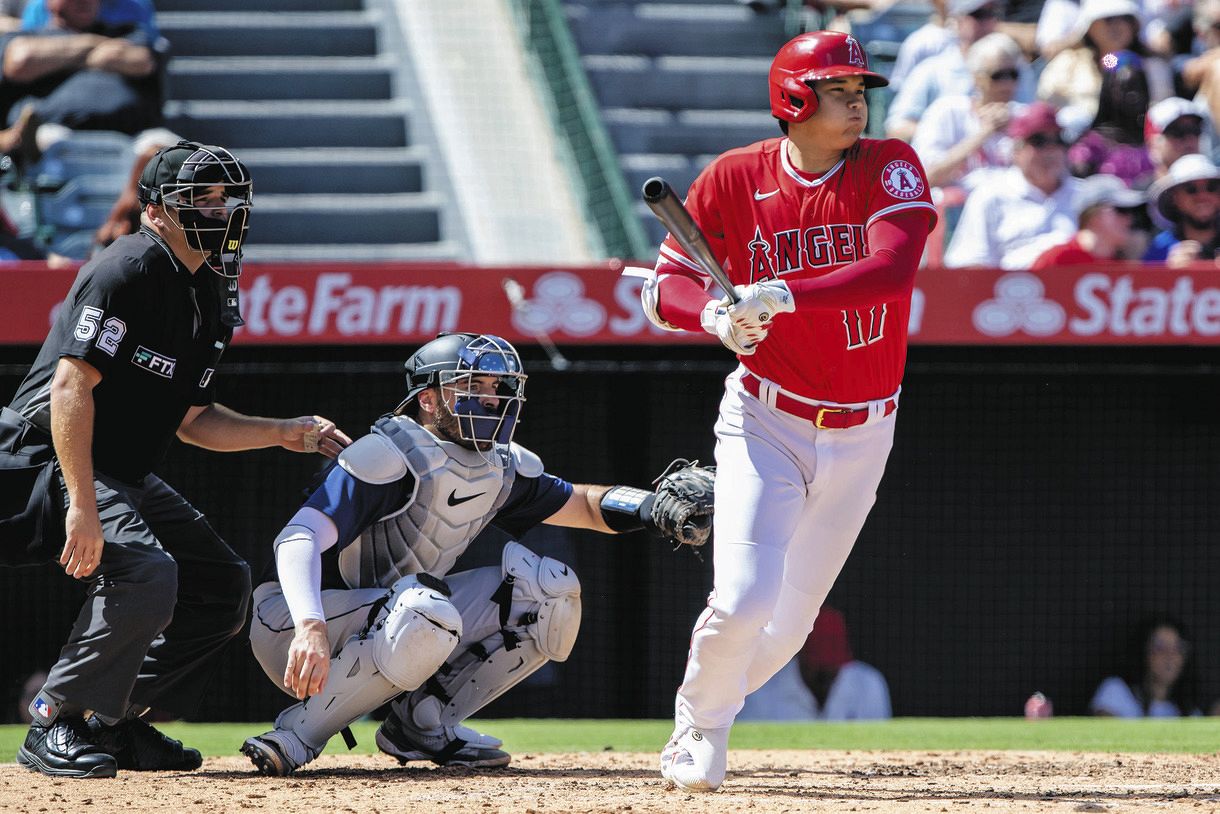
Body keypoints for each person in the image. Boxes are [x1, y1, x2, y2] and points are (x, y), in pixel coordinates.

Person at [634, 31, 935, 793]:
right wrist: (713, 318)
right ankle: (698, 727)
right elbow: (663, 287)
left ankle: (703, 709)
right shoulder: (733, 178)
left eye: (860, 88)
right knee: (740, 601)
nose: (857, 100)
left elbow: (892, 268)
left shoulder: (889, 162)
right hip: (768, 418)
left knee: (787, 629)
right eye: (839, 90)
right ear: (794, 100)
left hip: (866, 429)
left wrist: (783, 294)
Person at [0, 140, 353, 779]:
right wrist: (82, 502)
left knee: (222, 586)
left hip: (124, 469)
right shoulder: (126, 269)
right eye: (203, 198)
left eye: (227, 199)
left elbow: (195, 421)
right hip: (48, 458)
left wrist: (285, 432)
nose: (221, 212)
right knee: (147, 574)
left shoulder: (213, 289)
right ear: (157, 209)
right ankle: (56, 716)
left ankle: (111, 723)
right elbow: (69, 387)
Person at [239, 332, 714, 776]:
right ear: (428, 399)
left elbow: (584, 505)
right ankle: (296, 735)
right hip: (291, 620)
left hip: (390, 615)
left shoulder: (500, 465)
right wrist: (310, 627)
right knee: (425, 607)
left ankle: (421, 726)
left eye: (496, 384)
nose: (490, 396)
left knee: (548, 592)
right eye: (471, 384)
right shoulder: (387, 455)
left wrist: (653, 507)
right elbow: (296, 539)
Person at [0, 0, 164, 160]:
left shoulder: (129, 32)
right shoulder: (24, 37)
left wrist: (57, 59)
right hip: (52, 133)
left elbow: (140, 61)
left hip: (134, 137)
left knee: (169, 153)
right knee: (47, 140)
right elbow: (21, 61)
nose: (85, 1)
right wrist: (92, 44)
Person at [944, 101, 1083, 268]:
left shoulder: (1086, 196)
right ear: (1015, 150)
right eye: (1039, 141)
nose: (1051, 150)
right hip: (1012, 290)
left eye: (1058, 141)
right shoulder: (991, 196)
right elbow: (969, 264)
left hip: (1078, 289)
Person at [911, 32, 1027, 192]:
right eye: (998, 75)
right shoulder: (947, 112)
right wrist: (984, 133)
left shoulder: (1025, 117)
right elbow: (924, 178)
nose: (1007, 84)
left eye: (1013, 75)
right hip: (955, 210)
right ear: (977, 78)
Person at [1036, 0, 1172, 136]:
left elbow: (1160, 113)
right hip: (1079, 145)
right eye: (1108, 19)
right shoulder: (1068, 62)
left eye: (1125, 18)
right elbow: (1047, 106)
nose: (1117, 26)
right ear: (1089, 26)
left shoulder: (1152, 65)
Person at [738, 606, 891, 721]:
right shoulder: (762, 688)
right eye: (819, 664)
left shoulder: (869, 683)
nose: (826, 671)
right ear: (801, 654)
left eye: (832, 663)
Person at [1090, 616, 1198, 717]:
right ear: (1143, 651)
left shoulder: (1189, 712)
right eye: (1160, 647)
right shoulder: (1116, 691)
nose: (1170, 656)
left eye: (1178, 647)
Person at [1030, 173, 1146, 267]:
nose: (1129, 219)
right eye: (1121, 210)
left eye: (1132, 212)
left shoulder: (1125, 265)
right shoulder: (1056, 260)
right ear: (1093, 214)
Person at [1143, 151, 1220, 264]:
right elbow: (1144, 280)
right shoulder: (1160, 248)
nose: (1203, 196)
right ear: (1174, 198)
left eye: (1211, 188)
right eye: (1191, 189)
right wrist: (1170, 272)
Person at [1142, 96, 1210, 188]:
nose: (1189, 138)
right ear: (1152, 145)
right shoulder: (1139, 196)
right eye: (1177, 132)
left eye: (1195, 130)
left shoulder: (1216, 188)